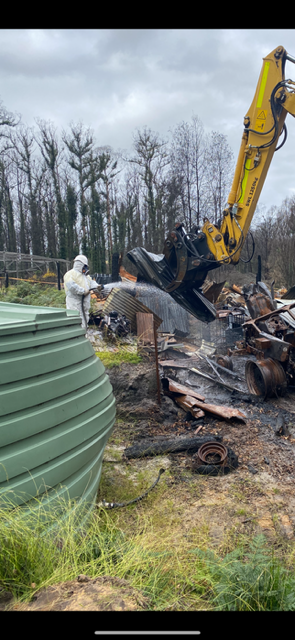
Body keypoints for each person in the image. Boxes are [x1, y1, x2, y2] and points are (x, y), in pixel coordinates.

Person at [63, 255, 99, 329]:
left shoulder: (85, 276)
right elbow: (71, 286)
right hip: (74, 302)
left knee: (85, 318)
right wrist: (83, 291)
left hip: (84, 302)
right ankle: (75, 337)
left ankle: (84, 334)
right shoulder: (70, 274)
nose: (85, 268)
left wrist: (97, 286)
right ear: (80, 264)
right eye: (85, 266)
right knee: (75, 319)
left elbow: (91, 282)